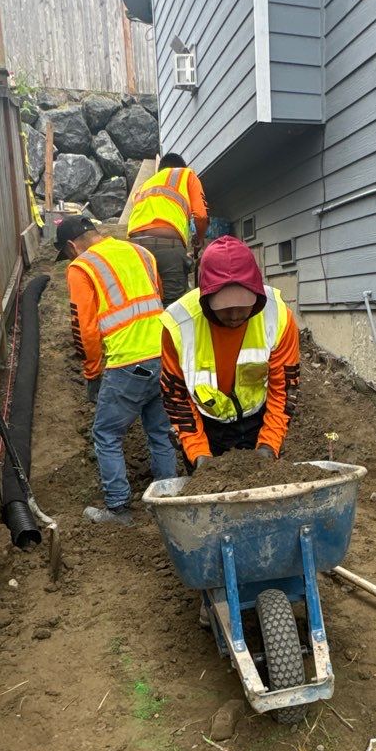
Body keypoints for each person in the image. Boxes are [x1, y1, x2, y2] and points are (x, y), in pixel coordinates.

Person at [58, 214, 178, 524]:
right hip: (164, 355)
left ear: (71, 246)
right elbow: (158, 298)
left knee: (106, 433)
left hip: (127, 362)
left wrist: (92, 373)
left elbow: (84, 329)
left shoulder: (81, 267)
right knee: (160, 431)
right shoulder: (142, 252)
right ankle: (167, 501)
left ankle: (119, 508)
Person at [160, 235, 300, 467]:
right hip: (205, 425)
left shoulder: (278, 317)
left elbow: (283, 390)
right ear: (206, 297)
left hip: (256, 422)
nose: (234, 315)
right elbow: (177, 397)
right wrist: (198, 454)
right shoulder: (179, 325)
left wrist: (268, 445)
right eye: (224, 308)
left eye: (242, 306)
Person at [125, 150, 209, 303]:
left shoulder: (142, 187)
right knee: (171, 307)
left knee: (142, 304)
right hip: (168, 248)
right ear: (181, 167)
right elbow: (201, 216)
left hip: (134, 250)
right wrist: (200, 238)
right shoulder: (186, 174)